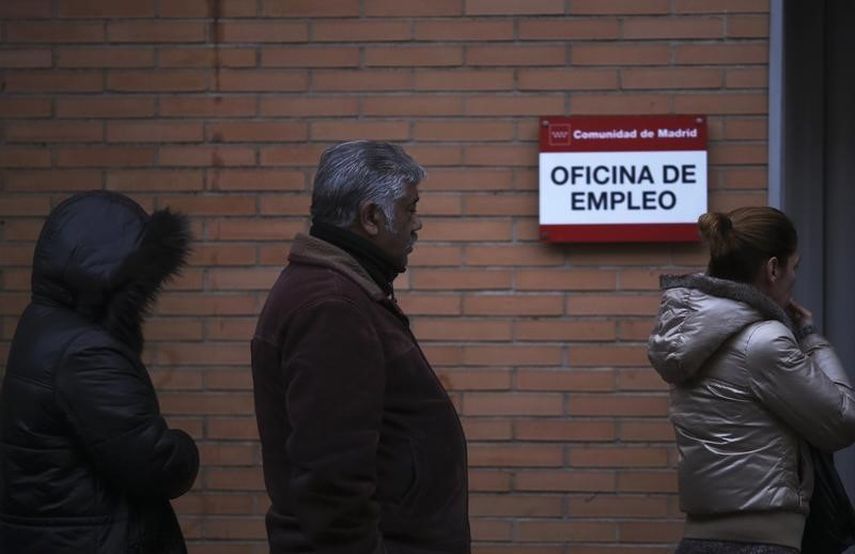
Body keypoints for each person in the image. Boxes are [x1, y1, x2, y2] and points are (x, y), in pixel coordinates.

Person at [251, 140, 470, 554]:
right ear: (371, 217)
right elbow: (332, 480)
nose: (416, 224)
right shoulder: (332, 307)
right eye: (410, 208)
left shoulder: (342, 293)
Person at [0, 191, 199, 553]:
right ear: (110, 276)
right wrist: (184, 449)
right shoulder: (87, 352)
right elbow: (152, 463)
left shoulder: (43, 323)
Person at [648, 206, 855, 553]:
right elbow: (843, 421)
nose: (794, 279)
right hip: (761, 544)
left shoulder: (692, 336)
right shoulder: (763, 341)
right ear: (773, 268)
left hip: (699, 540)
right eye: (794, 267)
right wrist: (809, 336)